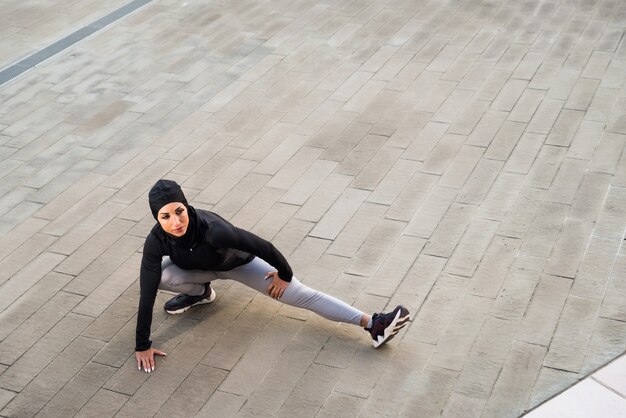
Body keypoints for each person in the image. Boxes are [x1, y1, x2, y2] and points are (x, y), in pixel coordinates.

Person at [135, 179, 410, 373]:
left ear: (186, 206)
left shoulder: (214, 231)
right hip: (203, 268)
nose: (176, 222)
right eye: (166, 216)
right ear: (157, 219)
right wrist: (142, 345)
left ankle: (374, 324)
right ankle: (201, 294)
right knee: (159, 276)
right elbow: (146, 293)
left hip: (239, 266)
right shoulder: (156, 241)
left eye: (179, 212)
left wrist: (285, 274)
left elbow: (263, 246)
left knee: (300, 295)